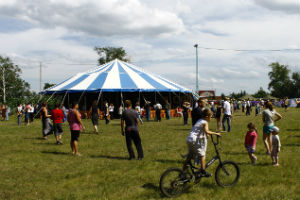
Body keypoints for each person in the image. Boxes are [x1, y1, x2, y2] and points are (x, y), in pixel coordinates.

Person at [183, 109, 221, 177]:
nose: (211, 118)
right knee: (202, 155)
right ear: (206, 116)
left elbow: (201, 130)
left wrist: (207, 134)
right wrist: (216, 133)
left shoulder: (199, 120)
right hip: (194, 140)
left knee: (190, 156)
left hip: (189, 139)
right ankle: (203, 171)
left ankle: (182, 172)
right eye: (210, 117)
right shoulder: (204, 122)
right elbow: (207, 131)